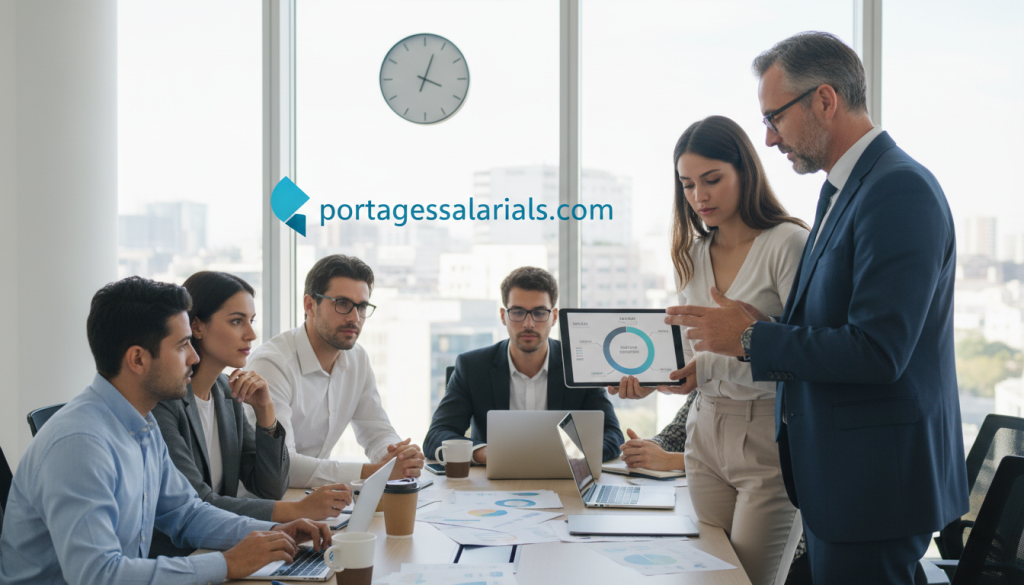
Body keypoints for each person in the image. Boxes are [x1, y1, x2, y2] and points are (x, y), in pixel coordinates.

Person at [671, 32, 969, 585]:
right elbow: (826, 328)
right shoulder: (844, 191)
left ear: (825, 100)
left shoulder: (898, 190)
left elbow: (880, 350)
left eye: (775, 117)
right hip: (841, 476)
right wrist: (758, 331)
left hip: (874, 482)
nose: (768, 137)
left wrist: (751, 339)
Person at [0, 276, 331, 585]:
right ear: (138, 360)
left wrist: (277, 531)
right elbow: (98, 574)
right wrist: (227, 563)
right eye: (182, 345)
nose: (192, 356)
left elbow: (187, 515)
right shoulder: (80, 445)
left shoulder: (140, 423)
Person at [612, 115, 808, 585]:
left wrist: (743, 341)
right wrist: (672, 376)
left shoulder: (788, 244)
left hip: (766, 435)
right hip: (705, 435)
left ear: (746, 172)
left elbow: (807, 354)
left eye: (713, 180)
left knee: (752, 579)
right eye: (688, 185)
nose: (700, 196)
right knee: (709, 578)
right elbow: (700, 354)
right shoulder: (693, 253)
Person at [151, 271, 351, 558]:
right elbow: (198, 503)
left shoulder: (225, 391)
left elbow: (270, 486)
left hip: (223, 547)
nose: (251, 334)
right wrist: (297, 510)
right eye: (236, 321)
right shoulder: (164, 403)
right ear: (196, 326)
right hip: (182, 558)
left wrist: (266, 412)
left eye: (251, 321)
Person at [247, 255, 424, 488]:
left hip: (317, 499)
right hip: (266, 506)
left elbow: (376, 432)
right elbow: (283, 463)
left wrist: (399, 456)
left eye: (361, 307)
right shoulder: (272, 364)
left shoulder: (357, 358)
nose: (354, 318)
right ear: (309, 305)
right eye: (342, 303)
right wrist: (373, 472)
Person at [425, 266, 624, 465]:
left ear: (554, 317)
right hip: (492, 482)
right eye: (518, 312)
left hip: (563, 480)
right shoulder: (472, 367)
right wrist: (483, 453)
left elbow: (612, 434)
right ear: (503, 316)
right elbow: (437, 434)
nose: (528, 324)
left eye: (539, 313)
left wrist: (566, 455)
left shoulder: (580, 364)